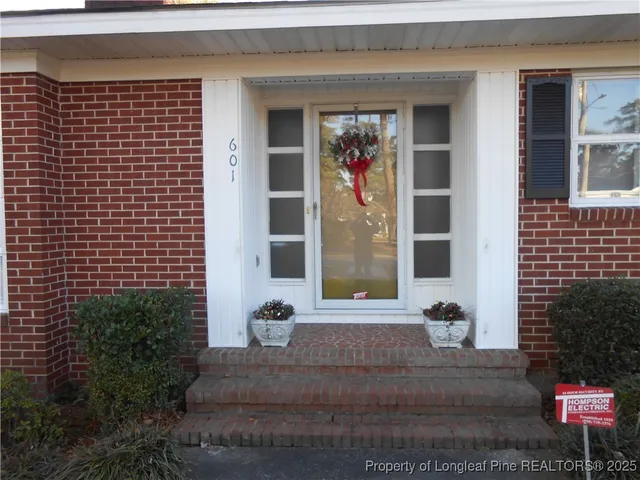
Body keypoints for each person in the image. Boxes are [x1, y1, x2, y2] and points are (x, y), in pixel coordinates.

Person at [350, 212, 379, 277]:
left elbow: (377, 229)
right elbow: (351, 226)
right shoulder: (358, 228)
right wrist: (359, 218)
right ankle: (360, 275)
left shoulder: (368, 228)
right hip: (360, 249)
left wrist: (371, 219)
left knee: (367, 269)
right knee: (359, 268)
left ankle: (364, 275)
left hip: (365, 249)